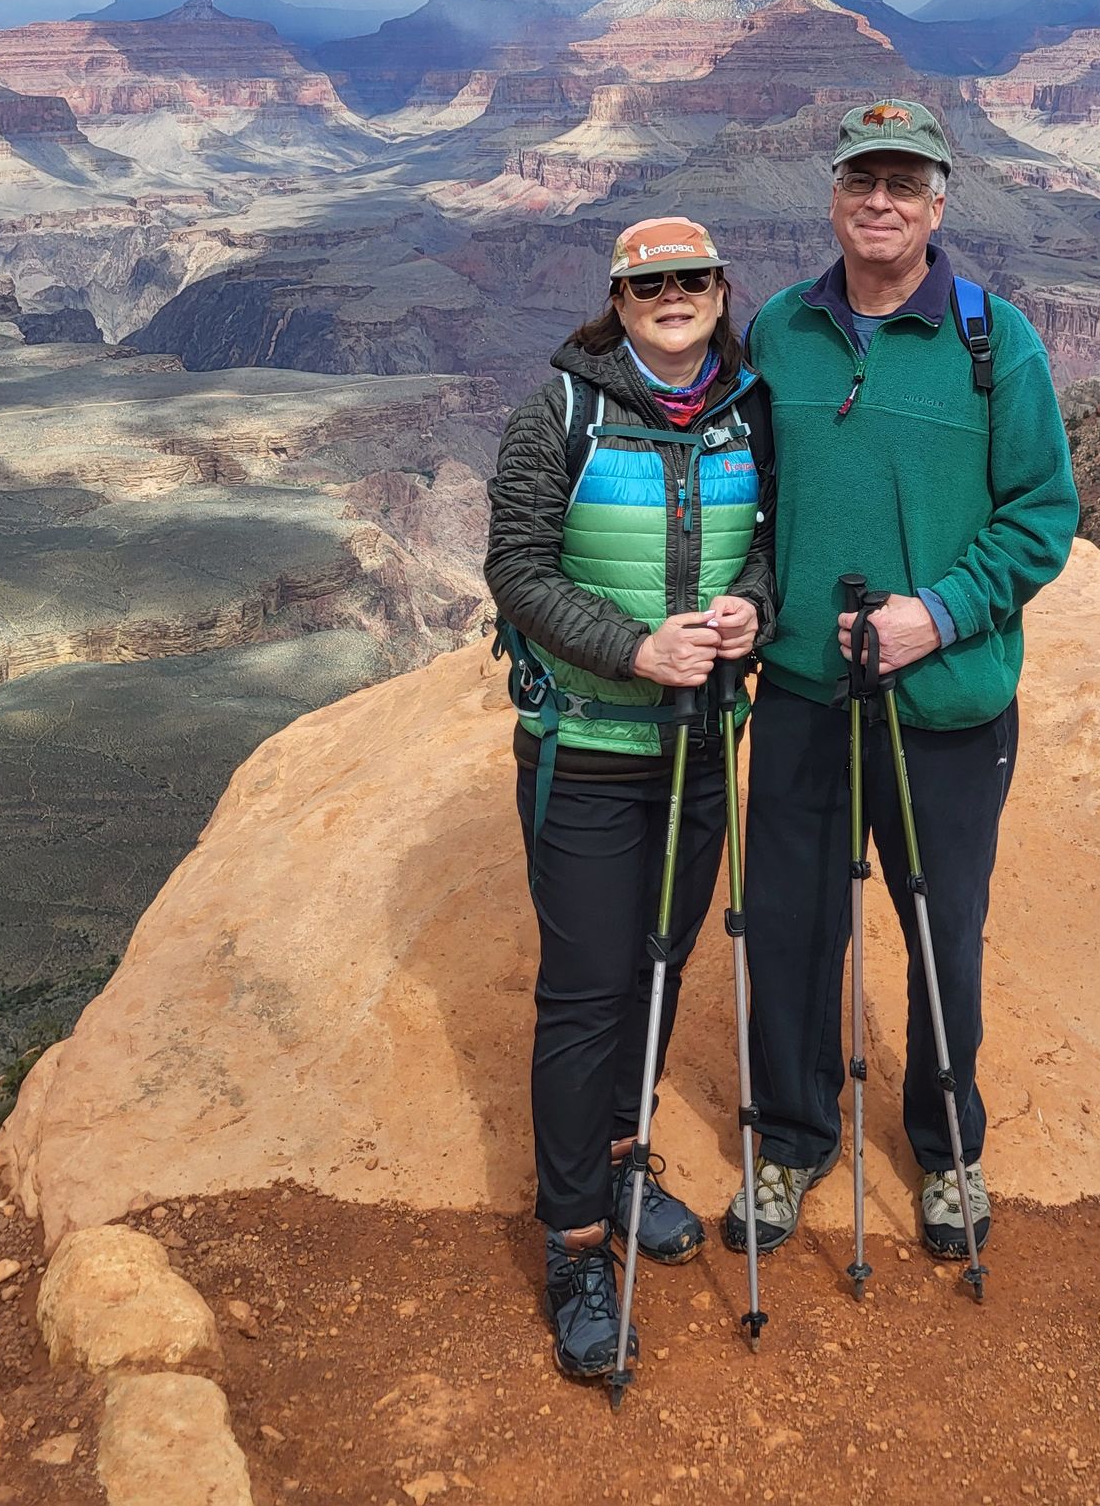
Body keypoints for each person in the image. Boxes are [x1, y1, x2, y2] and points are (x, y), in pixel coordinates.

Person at [724, 100, 1077, 1264]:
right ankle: (790, 1134)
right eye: (861, 180)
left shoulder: (995, 340)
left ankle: (946, 1147)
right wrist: (755, 602)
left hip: (946, 703)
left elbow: (1042, 517)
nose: (880, 201)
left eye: (904, 184)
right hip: (806, 696)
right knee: (786, 925)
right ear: (832, 195)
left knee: (942, 932)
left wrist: (938, 614)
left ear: (937, 205)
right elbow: (750, 497)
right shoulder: (778, 329)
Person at [486, 216, 772, 1382]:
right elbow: (516, 563)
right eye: (649, 281)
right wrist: (633, 648)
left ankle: (621, 1154)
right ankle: (574, 1244)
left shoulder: (747, 408)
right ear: (618, 295)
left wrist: (751, 609)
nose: (672, 294)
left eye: (691, 277)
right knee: (589, 989)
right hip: (591, 747)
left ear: (718, 286)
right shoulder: (559, 408)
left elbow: (769, 547)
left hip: (701, 746)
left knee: (661, 961)